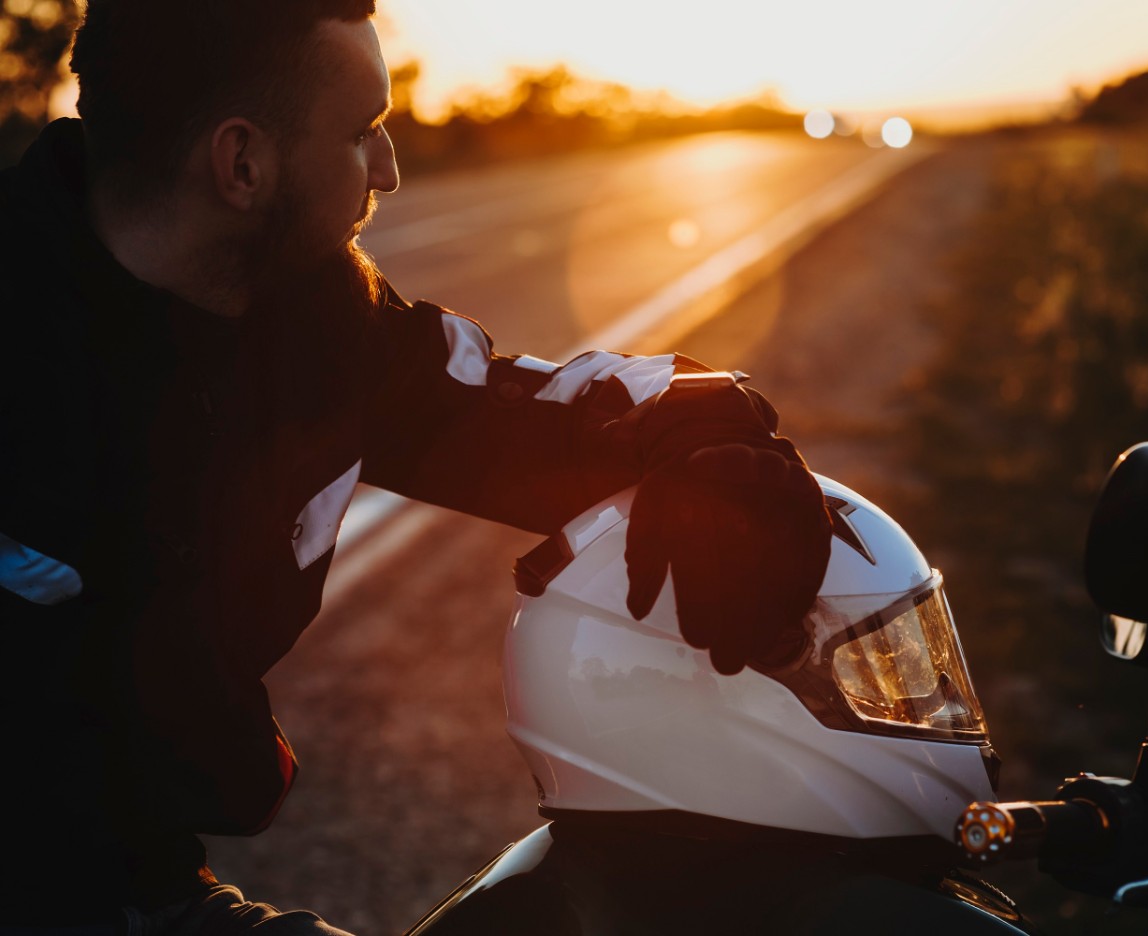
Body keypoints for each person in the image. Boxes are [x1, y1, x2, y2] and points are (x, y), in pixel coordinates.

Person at [0, 1, 831, 933]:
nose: (390, 170)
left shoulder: (314, 325)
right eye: (363, 134)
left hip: (131, 883)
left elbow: (519, 407)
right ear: (243, 164)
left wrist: (711, 438)